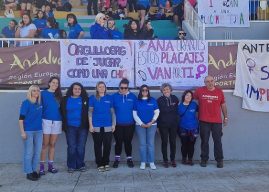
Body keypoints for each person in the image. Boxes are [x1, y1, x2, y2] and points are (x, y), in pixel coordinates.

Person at [194, 75, 228, 168]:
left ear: (214, 81)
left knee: (217, 141)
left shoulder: (219, 91)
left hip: (217, 121)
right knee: (204, 141)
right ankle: (204, 159)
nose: (210, 83)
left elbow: (223, 105)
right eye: (207, 81)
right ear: (204, 83)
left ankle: (219, 160)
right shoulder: (199, 91)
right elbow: (191, 100)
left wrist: (225, 117)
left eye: (211, 81)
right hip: (204, 120)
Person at [60, 82, 89, 173]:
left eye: (79, 89)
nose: (77, 90)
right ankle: (71, 165)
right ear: (71, 90)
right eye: (75, 89)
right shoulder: (65, 99)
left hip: (83, 127)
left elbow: (91, 111)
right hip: (70, 127)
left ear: (82, 90)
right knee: (72, 147)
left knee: (81, 147)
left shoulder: (85, 99)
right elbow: (61, 111)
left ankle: (80, 165)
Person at [89, 81, 116, 172]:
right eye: (99, 87)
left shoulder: (109, 98)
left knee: (107, 145)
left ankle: (106, 163)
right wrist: (90, 125)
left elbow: (112, 113)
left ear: (105, 88)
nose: (101, 88)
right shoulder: (92, 98)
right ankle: (99, 164)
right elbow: (90, 113)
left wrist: (113, 124)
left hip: (108, 126)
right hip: (96, 126)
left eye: (103, 87)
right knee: (98, 146)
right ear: (97, 88)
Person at [19, 85, 43, 181]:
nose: (36, 92)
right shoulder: (25, 103)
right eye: (34, 91)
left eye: (37, 90)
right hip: (28, 131)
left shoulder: (40, 103)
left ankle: (33, 170)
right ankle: (28, 172)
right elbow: (20, 120)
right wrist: (22, 132)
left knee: (37, 152)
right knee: (28, 153)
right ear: (30, 92)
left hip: (39, 131)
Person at [39, 77, 62, 175]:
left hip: (57, 121)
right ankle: (41, 168)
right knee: (45, 145)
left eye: (57, 83)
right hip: (46, 121)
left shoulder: (59, 95)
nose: (55, 84)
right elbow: (37, 105)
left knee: (52, 144)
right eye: (53, 82)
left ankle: (50, 166)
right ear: (49, 83)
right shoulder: (43, 93)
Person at [133, 85, 159, 170]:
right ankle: (143, 162)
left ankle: (151, 162)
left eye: (146, 90)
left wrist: (151, 122)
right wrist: (141, 123)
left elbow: (157, 112)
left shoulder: (152, 100)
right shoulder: (137, 101)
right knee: (142, 144)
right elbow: (134, 114)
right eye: (143, 90)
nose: (145, 92)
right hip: (140, 126)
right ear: (140, 91)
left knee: (151, 144)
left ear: (148, 91)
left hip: (152, 125)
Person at [112, 78, 137, 168]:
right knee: (118, 143)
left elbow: (136, 111)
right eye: (122, 88)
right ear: (119, 87)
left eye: (125, 88)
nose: (123, 89)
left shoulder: (133, 97)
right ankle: (117, 159)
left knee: (128, 142)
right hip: (117, 125)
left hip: (130, 125)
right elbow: (111, 111)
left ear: (128, 88)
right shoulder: (114, 96)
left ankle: (129, 159)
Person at [157, 83, 179, 168]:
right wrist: (158, 126)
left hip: (173, 124)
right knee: (164, 142)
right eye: (164, 90)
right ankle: (165, 160)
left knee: (173, 142)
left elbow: (176, 111)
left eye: (167, 89)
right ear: (162, 91)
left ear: (170, 90)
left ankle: (172, 159)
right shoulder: (159, 100)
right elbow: (159, 112)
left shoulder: (175, 98)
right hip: (163, 125)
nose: (166, 91)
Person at [178, 90, 199, 166]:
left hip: (194, 128)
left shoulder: (194, 104)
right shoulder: (179, 106)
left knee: (191, 144)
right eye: (187, 95)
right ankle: (184, 158)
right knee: (184, 144)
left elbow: (201, 111)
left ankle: (190, 159)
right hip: (183, 128)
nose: (188, 97)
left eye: (190, 96)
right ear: (184, 96)